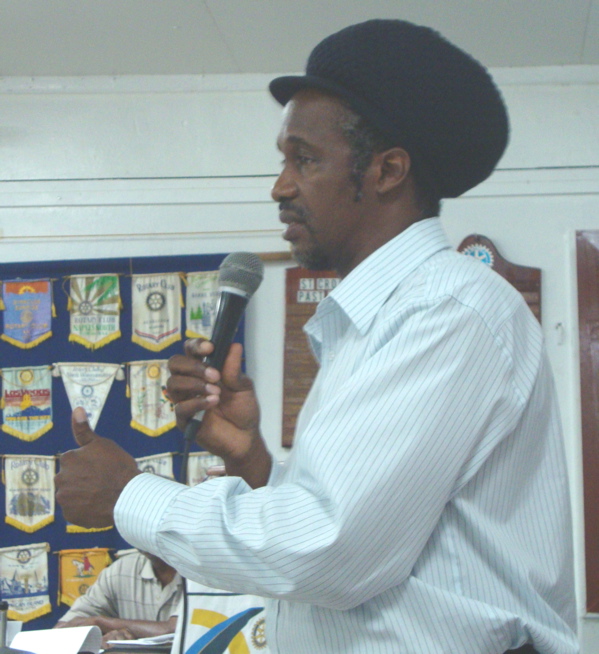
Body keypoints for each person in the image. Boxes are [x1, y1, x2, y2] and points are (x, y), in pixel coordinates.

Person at [55, 19, 579, 654]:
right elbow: (356, 532)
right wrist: (251, 460)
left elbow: (331, 549)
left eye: (304, 159)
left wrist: (126, 493)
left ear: (386, 171)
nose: (280, 187)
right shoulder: (379, 319)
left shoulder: (445, 310)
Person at [54, 550, 182, 648]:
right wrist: (104, 637)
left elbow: (173, 630)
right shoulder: (121, 569)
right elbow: (62, 630)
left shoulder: (200, 571)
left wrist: (101, 623)